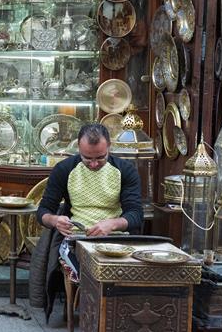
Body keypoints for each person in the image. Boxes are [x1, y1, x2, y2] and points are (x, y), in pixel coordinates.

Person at [32, 123, 142, 314]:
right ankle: (92, 312)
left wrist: (113, 224)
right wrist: (55, 220)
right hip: (76, 239)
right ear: (78, 149)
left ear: (109, 147)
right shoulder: (64, 169)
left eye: (100, 158)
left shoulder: (125, 170)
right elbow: (43, 212)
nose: (93, 164)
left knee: (114, 267)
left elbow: (135, 214)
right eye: (87, 158)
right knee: (85, 268)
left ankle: (110, 313)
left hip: (115, 238)